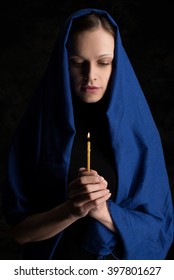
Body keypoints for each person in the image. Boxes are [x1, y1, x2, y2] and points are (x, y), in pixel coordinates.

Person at [2, 8, 173, 260]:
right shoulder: (36, 131)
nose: (90, 75)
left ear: (117, 64)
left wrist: (102, 210)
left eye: (104, 62)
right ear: (62, 63)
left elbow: (160, 232)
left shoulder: (140, 137)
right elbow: (19, 232)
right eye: (77, 62)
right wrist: (72, 209)